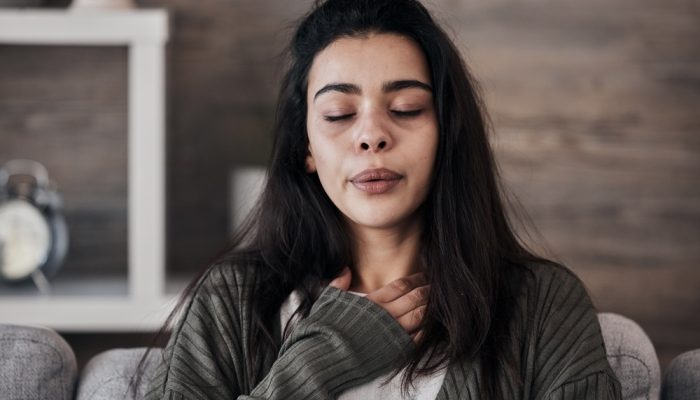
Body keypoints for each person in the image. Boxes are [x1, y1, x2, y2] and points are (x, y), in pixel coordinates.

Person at [143, 0, 622, 398]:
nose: (372, 135)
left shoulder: (543, 307)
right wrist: (314, 368)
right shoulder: (233, 301)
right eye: (338, 113)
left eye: (405, 109)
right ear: (305, 147)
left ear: (447, 132)